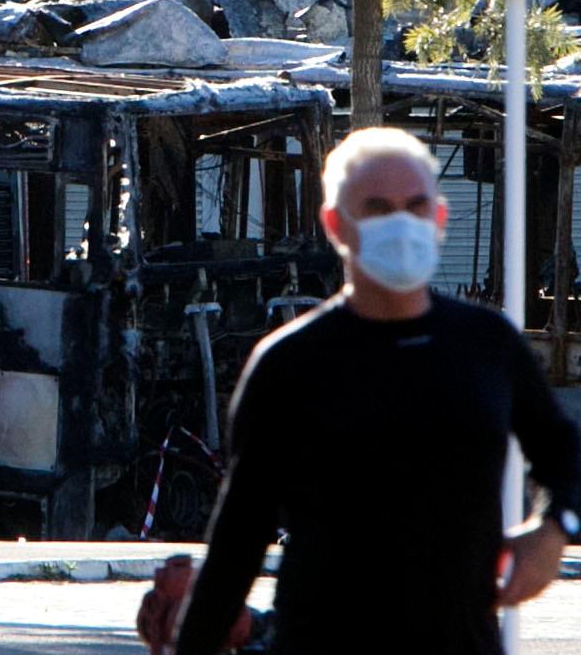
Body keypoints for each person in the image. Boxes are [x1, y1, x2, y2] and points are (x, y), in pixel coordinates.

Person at [171, 127, 581, 655]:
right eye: (378, 208)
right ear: (337, 225)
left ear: (438, 218)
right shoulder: (290, 364)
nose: (400, 224)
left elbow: (563, 450)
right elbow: (238, 541)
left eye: (414, 206)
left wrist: (553, 531)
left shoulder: (487, 346)